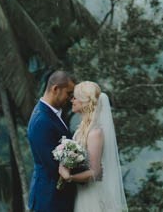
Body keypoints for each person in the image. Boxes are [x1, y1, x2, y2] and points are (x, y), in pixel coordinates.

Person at [59, 80, 128, 212]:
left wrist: (70, 177)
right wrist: (64, 163)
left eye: (75, 97)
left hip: (92, 195)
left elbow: (95, 172)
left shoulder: (95, 133)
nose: (72, 100)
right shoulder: (81, 130)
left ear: (85, 102)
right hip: (82, 192)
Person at [27, 70, 77, 212]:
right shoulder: (42, 120)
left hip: (56, 197)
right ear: (56, 89)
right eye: (68, 93)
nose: (70, 98)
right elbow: (53, 165)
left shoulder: (51, 113)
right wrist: (86, 170)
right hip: (49, 200)